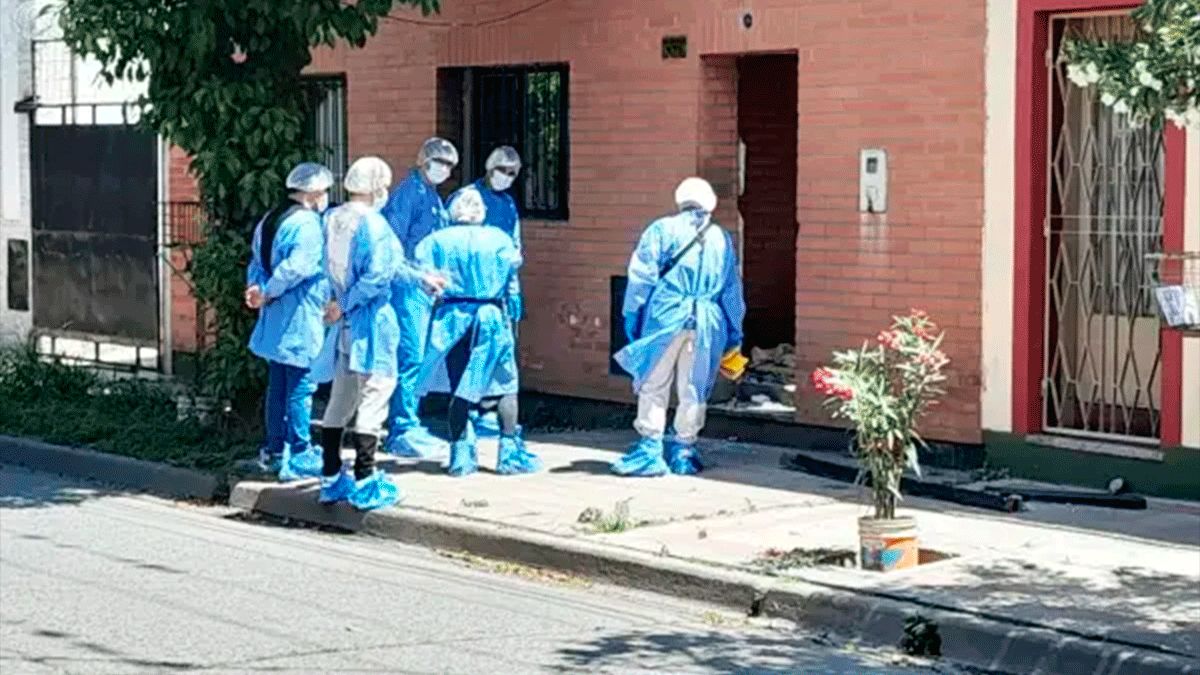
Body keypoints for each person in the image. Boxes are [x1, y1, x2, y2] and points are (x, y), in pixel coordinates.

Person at [311, 157, 444, 509]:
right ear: (375, 187)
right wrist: (348, 303)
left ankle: (330, 475)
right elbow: (380, 274)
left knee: (341, 397)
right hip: (372, 321)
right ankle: (366, 478)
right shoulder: (375, 225)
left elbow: (333, 268)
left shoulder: (333, 219)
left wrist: (338, 304)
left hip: (344, 322)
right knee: (375, 394)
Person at [612, 177, 746, 477]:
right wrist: (735, 332)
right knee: (694, 386)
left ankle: (649, 448)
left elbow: (641, 279)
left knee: (654, 382)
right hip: (708, 322)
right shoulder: (722, 239)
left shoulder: (662, 230)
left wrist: (632, 315)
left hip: (666, 316)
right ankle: (685, 450)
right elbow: (732, 291)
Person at [413, 189, 541, 477]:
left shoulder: (435, 241)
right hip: (491, 314)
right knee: (505, 383)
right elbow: (511, 278)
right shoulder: (499, 239)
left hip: (452, 318)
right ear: (482, 211)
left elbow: (424, 280)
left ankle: (460, 454)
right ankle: (509, 453)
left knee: (460, 383)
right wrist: (513, 300)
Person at [245, 162, 333, 480]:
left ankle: (273, 449)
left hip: (275, 314)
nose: (326, 197)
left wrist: (257, 289)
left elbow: (257, 262)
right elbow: (298, 267)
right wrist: (269, 291)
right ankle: (299, 451)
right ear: (313, 192)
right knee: (300, 385)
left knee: (278, 384)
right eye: (324, 191)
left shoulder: (270, 218)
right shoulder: (307, 224)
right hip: (298, 312)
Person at [381, 137, 458, 459]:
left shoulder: (431, 196)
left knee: (418, 357)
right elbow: (393, 249)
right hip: (409, 288)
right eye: (439, 161)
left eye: (449, 164)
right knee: (409, 357)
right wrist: (419, 277)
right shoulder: (409, 195)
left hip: (425, 287)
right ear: (423, 160)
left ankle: (410, 420)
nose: (444, 168)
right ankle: (401, 428)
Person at [447, 146, 524, 438]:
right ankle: (466, 414)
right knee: (465, 355)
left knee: (497, 354)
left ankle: (488, 410)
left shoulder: (507, 204)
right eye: (503, 170)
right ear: (490, 169)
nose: (508, 177)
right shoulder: (467, 198)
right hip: (463, 295)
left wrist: (513, 290)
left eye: (513, 173)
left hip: (495, 292)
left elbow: (514, 251)